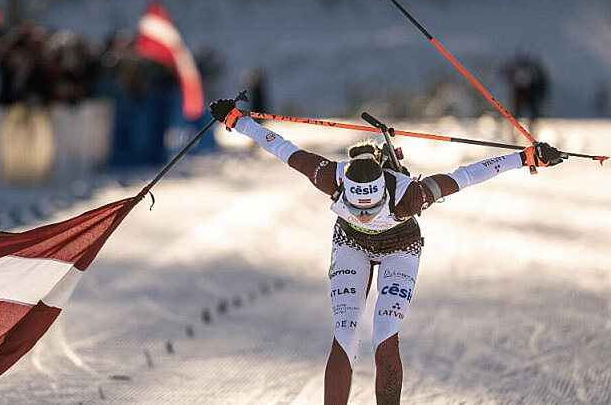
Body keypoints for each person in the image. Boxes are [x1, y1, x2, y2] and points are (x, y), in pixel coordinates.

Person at [209, 99, 565, 404]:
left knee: (385, 331)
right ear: (344, 188)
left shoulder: (410, 194)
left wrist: (526, 158)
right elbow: (280, 145)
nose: (364, 212)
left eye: (372, 207)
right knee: (346, 330)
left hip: (401, 247)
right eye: (357, 206)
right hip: (350, 244)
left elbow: (468, 175)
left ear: (384, 192)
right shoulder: (329, 176)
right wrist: (237, 120)